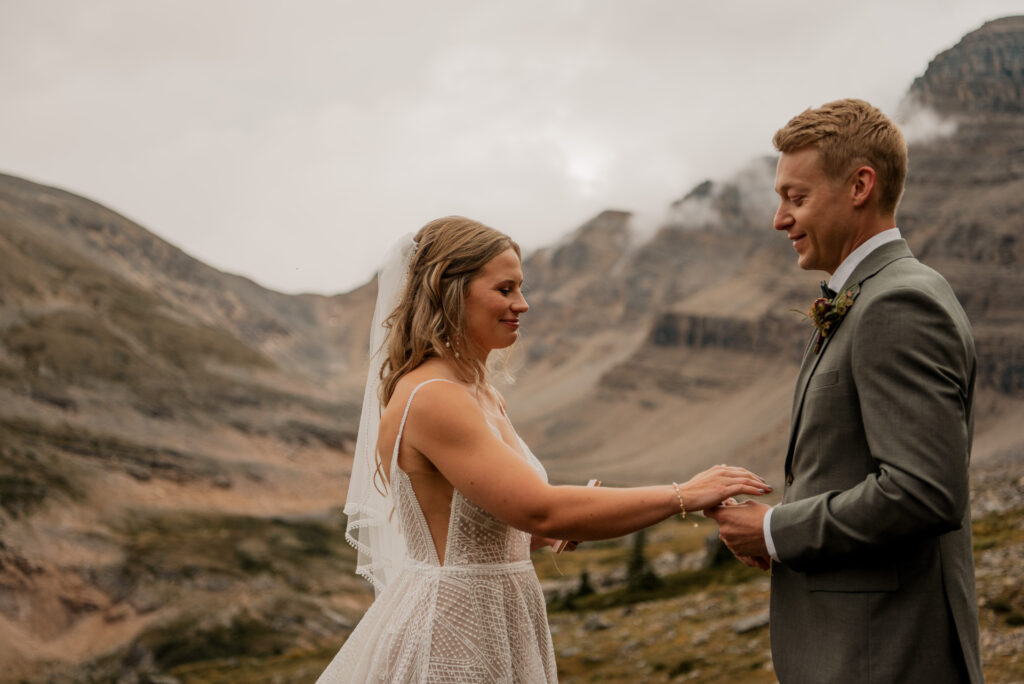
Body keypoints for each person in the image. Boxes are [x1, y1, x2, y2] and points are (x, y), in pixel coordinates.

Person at [317, 216, 771, 683]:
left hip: (498, 615)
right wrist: (685, 494)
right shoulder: (434, 397)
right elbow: (540, 510)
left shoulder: (478, 391)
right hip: (455, 628)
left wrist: (546, 531)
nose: (523, 304)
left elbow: (482, 519)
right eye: (505, 289)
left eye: (521, 288)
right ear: (450, 291)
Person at [705, 99, 984, 682]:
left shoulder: (898, 304)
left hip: (887, 656)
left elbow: (923, 492)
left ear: (860, 186)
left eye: (796, 198)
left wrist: (775, 529)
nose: (779, 219)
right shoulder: (870, 296)